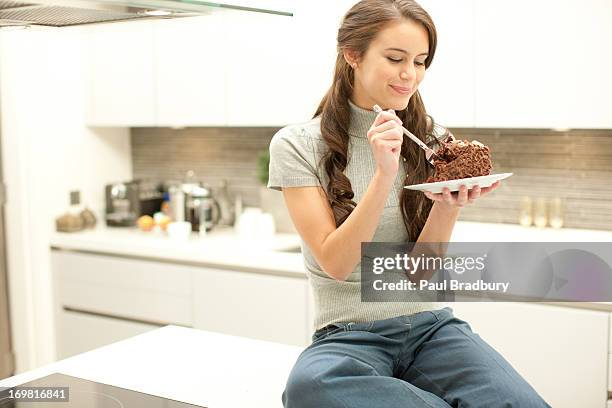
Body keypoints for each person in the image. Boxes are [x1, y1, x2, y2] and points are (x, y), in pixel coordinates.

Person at [267, 1, 550, 407]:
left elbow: (422, 275)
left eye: (420, 61)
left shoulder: (433, 140)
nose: (409, 75)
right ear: (352, 54)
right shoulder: (297, 145)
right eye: (395, 58)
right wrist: (384, 175)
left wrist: (449, 204)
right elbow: (336, 263)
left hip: (431, 329)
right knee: (308, 388)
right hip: (348, 337)